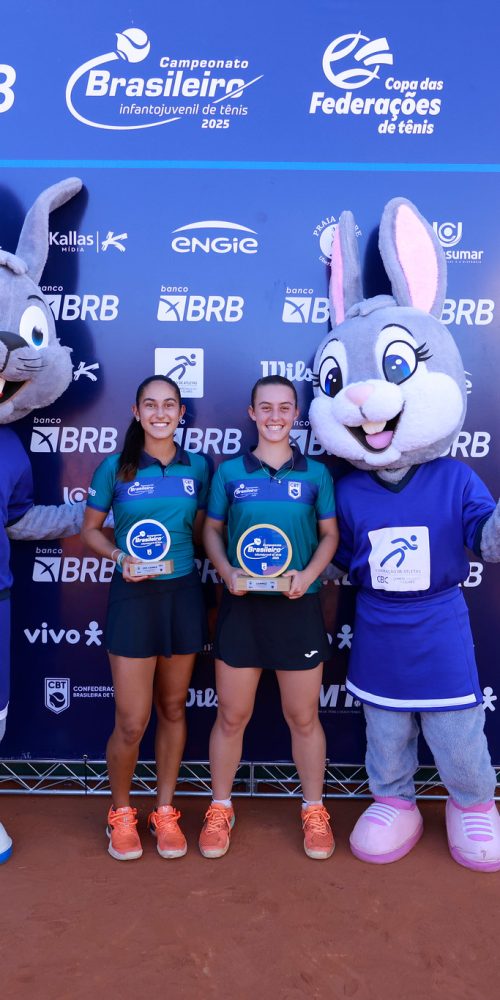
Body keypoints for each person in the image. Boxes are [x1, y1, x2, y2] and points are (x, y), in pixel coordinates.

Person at [199, 375, 339, 860]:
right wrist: (225, 571)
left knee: (303, 717)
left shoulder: (316, 474)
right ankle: (220, 808)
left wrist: (309, 575)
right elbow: (211, 530)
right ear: (252, 413)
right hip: (243, 607)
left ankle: (314, 809)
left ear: (296, 414)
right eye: (266, 407)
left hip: (298, 607)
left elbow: (330, 535)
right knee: (231, 716)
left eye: (284, 407)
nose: (275, 416)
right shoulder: (229, 472)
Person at [81, 375, 209, 861]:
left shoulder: (199, 466)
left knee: (173, 709)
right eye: (150, 405)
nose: (160, 413)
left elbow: (203, 531)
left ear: (181, 414)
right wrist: (119, 557)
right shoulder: (114, 467)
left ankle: (165, 811)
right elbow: (90, 530)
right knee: (133, 721)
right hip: (132, 597)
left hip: (183, 594)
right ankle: (120, 812)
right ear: (136, 412)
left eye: (169, 405)